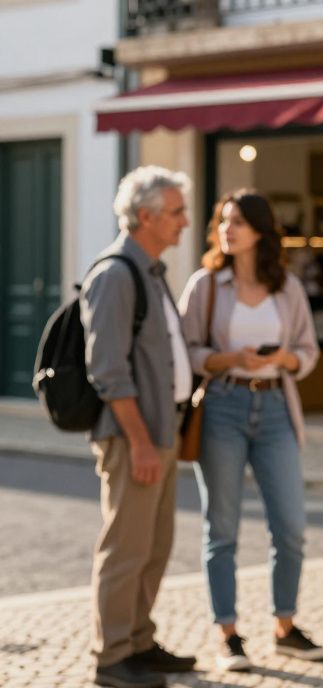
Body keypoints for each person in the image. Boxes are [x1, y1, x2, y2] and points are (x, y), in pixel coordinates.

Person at [178, 190, 323, 672]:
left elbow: (307, 351)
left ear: (260, 231)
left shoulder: (287, 288)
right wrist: (229, 360)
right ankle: (228, 634)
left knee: (292, 528)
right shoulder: (206, 285)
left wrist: (282, 359)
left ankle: (286, 628)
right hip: (222, 405)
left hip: (276, 408)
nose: (227, 228)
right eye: (222, 220)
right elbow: (188, 351)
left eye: (237, 221)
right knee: (221, 529)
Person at [84, 166, 197, 688]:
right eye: (176, 212)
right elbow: (107, 370)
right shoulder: (115, 275)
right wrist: (141, 443)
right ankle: (112, 658)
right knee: (125, 549)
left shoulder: (152, 272)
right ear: (145, 216)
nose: (184, 222)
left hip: (161, 431)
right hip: (137, 437)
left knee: (153, 546)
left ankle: (139, 641)